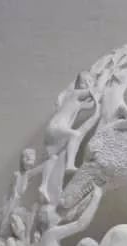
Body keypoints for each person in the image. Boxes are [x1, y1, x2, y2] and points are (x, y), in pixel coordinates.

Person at [38, 72, 102, 204]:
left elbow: (90, 104)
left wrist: (97, 102)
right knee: (75, 135)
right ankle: (70, 165)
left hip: (55, 130)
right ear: (82, 82)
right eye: (87, 81)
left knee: (53, 158)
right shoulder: (74, 93)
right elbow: (91, 92)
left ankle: (43, 186)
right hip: (55, 127)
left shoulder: (76, 101)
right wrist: (98, 81)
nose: (88, 83)